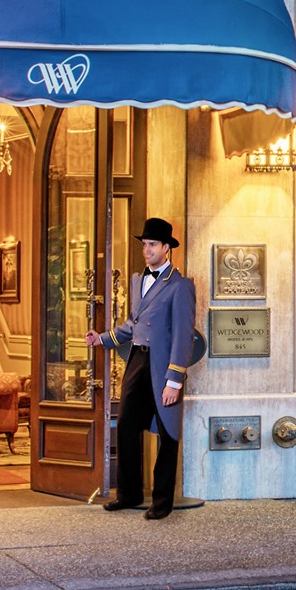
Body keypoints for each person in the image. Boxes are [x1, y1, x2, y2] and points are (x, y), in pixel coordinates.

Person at [87, 217, 196, 520]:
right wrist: (103, 339)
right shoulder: (139, 280)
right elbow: (133, 324)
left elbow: (184, 335)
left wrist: (174, 381)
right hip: (138, 360)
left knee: (167, 432)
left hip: (163, 366)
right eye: (144, 244)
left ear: (166, 248)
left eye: (152, 245)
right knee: (125, 425)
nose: (146, 250)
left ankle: (162, 502)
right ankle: (129, 493)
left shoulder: (180, 286)